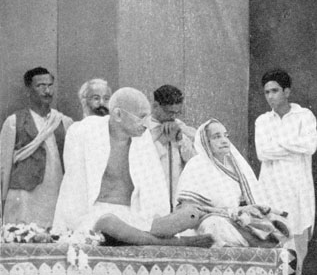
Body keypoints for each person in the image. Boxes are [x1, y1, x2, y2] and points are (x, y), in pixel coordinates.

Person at [52, 87, 211, 247]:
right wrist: (72, 223)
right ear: (118, 115)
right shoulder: (84, 133)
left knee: (190, 214)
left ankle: (155, 234)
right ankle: (174, 242)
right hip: (96, 216)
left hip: (134, 216)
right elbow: (73, 186)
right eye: (141, 117)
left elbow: (155, 186)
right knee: (108, 222)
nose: (146, 123)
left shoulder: (143, 139)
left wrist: (159, 218)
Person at [176, 118, 289, 248]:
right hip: (207, 221)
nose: (224, 140)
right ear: (206, 142)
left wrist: (245, 213)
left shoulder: (235, 168)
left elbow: (246, 203)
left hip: (236, 219)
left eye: (226, 135)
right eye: (217, 137)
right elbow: (189, 209)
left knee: (277, 225)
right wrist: (227, 212)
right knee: (214, 225)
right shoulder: (197, 164)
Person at [255, 69, 317, 268]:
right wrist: (293, 146)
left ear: (287, 92)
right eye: (267, 92)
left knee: (298, 242)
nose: (271, 96)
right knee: (272, 240)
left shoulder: (304, 116)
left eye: (275, 91)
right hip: (270, 188)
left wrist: (278, 143)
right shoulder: (262, 121)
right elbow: (263, 153)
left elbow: (309, 146)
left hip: (297, 187)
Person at [0, 67, 74, 226]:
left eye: (50, 85)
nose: (47, 91)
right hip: (24, 196)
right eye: (40, 86)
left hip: (55, 194)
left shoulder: (64, 122)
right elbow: (4, 166)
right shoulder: (14, 122)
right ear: (28, 90)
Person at [148, 85, 196, 209]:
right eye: (169, 112)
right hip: (151, 195)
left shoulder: (180, 126)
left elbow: (193, 161)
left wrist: (180, 139)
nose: (173, 117)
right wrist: (163, 141)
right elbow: (141, 162)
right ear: (155, 106)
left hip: (177, 197)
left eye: (176, 112)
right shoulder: (143, 129)